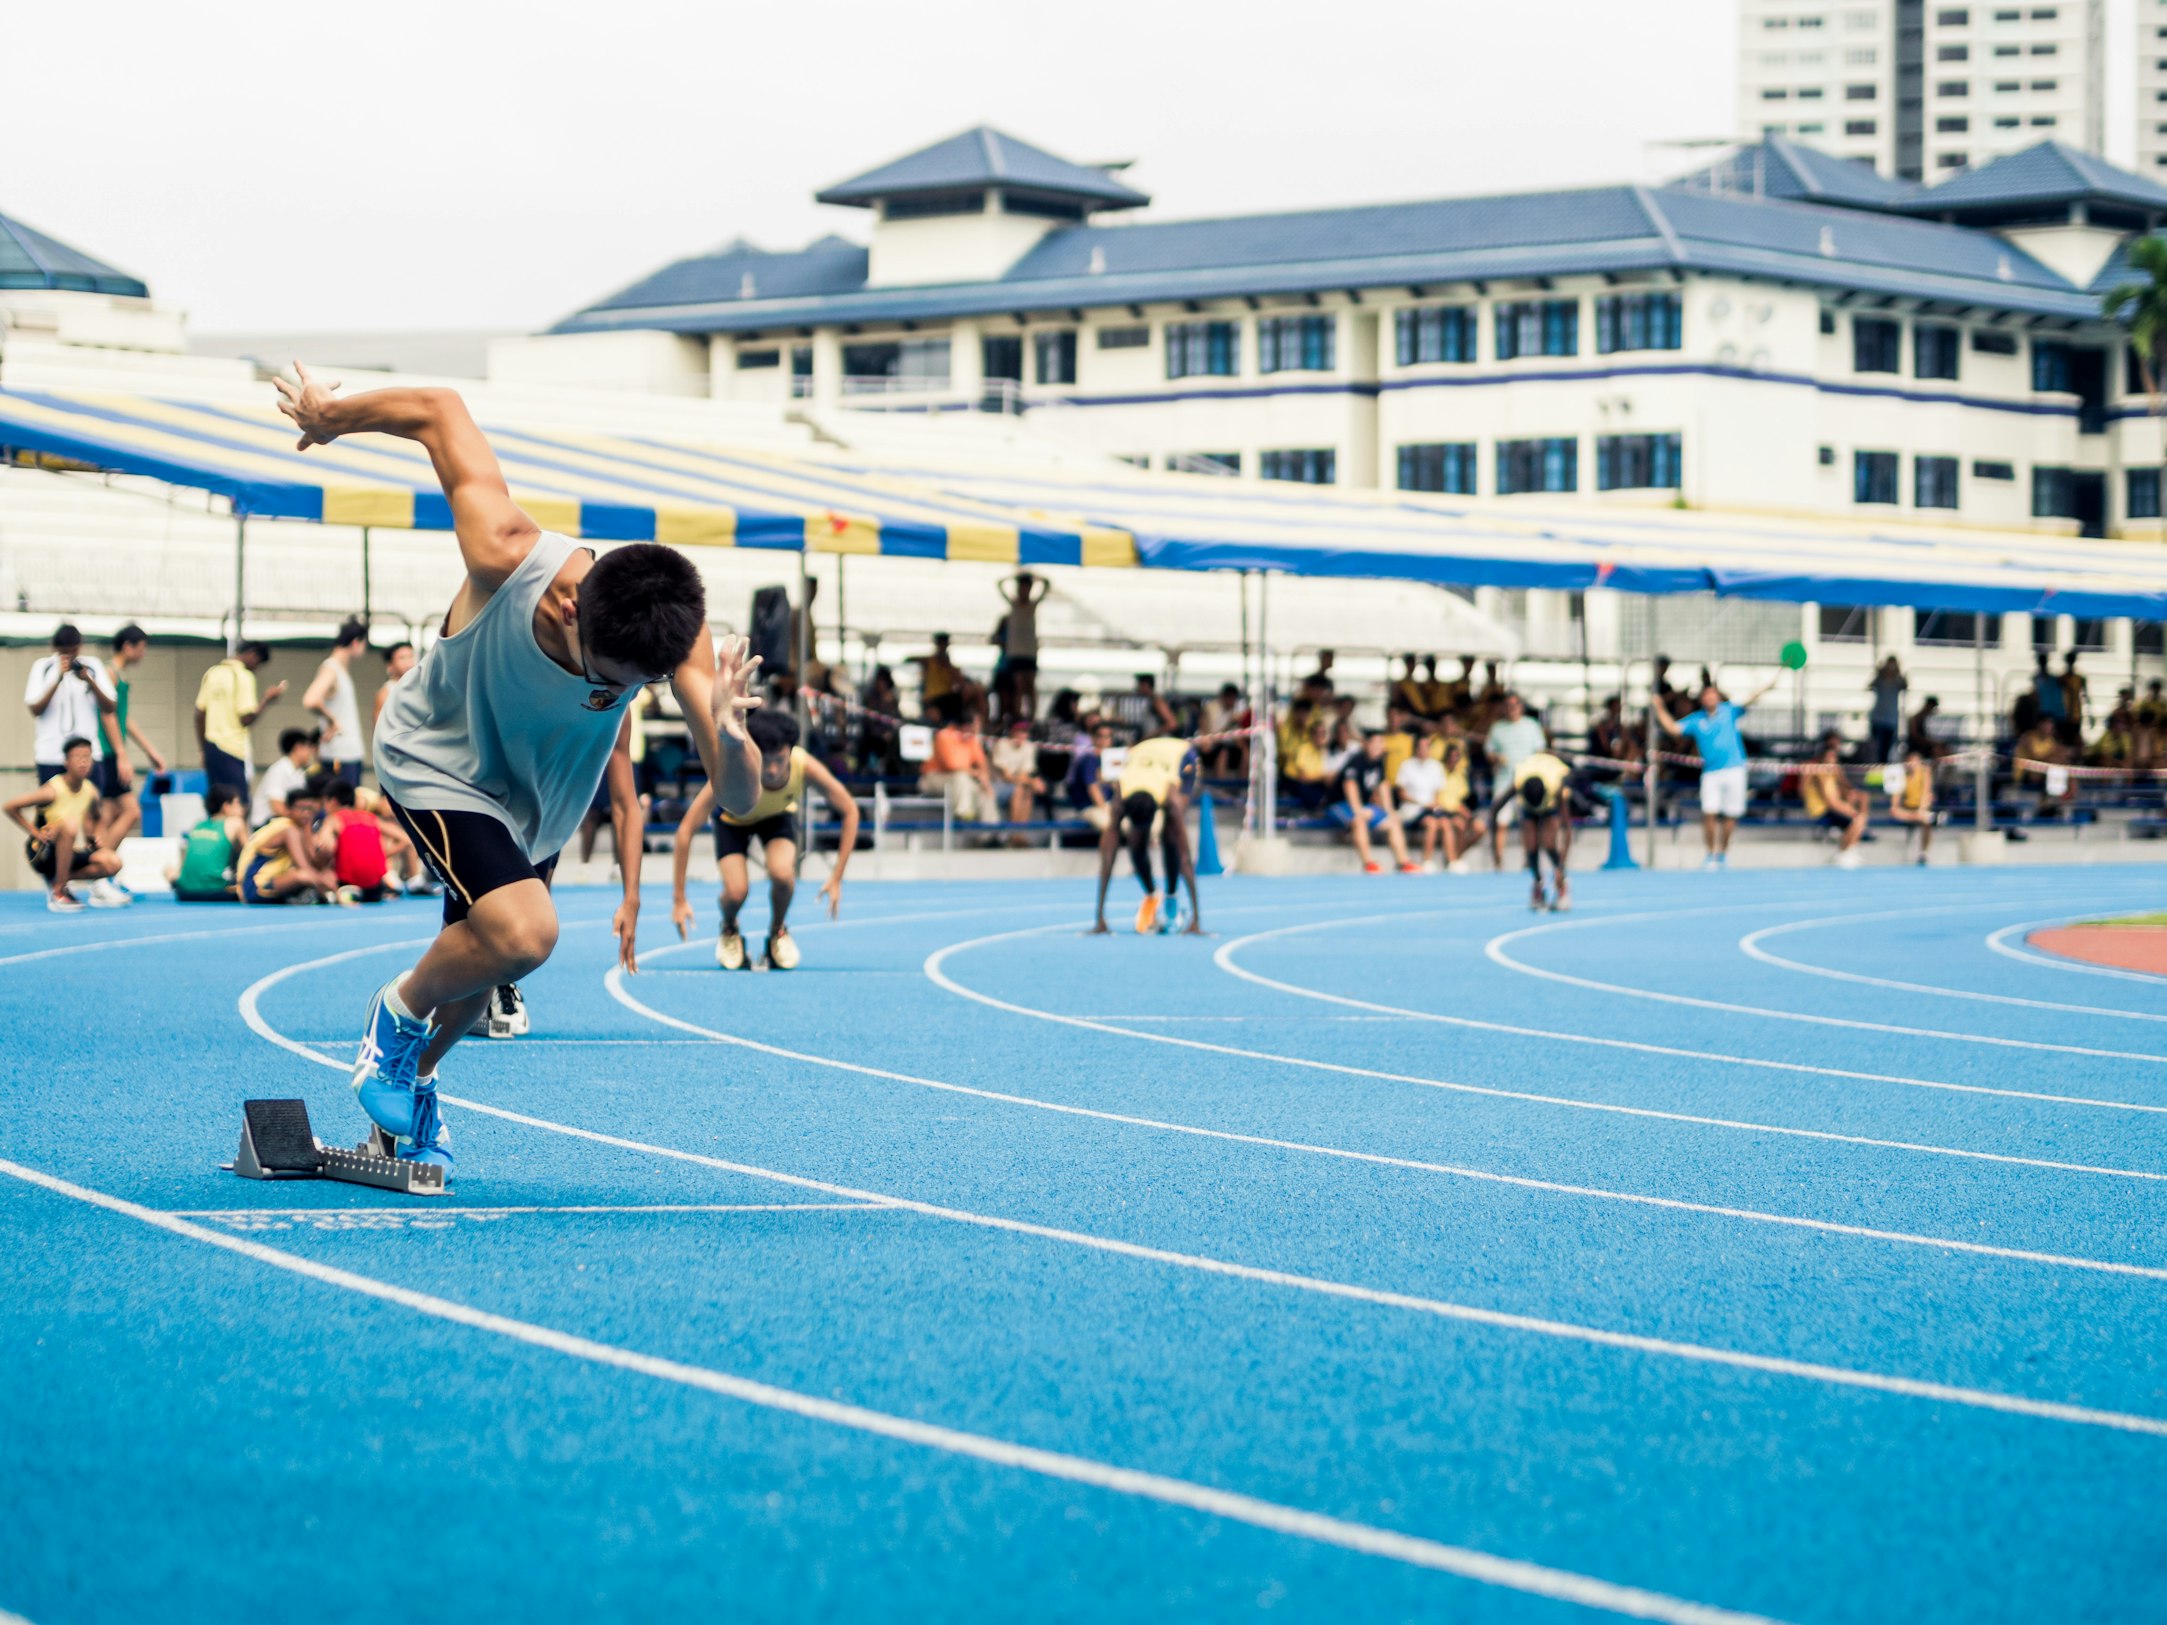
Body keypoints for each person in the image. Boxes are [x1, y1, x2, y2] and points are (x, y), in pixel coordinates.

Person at [274, 364, 763, 1174]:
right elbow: (439, 408)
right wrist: (332, 416)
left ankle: (410, 1085)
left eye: (630, 687)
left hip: (532, 801)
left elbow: (739, 800)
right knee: (526, 931)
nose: (616, 694)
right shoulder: (507, 552)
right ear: (573, 606)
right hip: (434, 757)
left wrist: (728, 732)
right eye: (606, 678)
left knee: (482, 956)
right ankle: (392, 1016)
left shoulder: (673, 641)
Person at [670, 708, 859, 970]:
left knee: (783, 876)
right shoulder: (734, 768)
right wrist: (679, 898)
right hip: (733, 822)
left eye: (779, 760)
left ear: (791, 752)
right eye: (765, 759)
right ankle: (729, 927)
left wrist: (837, 877)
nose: (771, 769)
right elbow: (685, 830)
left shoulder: (803, 765)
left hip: (777, 818)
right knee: (736, 893)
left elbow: (850, 810)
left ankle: (778, 931)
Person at [1651, 674, 1779, 870]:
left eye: (1713, 695)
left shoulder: (1730, 711)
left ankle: (1723, 854)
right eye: (1707, 695)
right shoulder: (1696, 720)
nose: (1710, 698)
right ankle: (1711, 854)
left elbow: (1752, 698)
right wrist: (1659, 707)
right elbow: (1673, 729)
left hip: (1735, 770)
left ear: (1718, 698)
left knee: (1731, 815)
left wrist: (1767, 686)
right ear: (1702, 700)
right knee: (1709, 813)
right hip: (1711, 773)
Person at [1091, 734, 1204, 936]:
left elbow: (1185, 856)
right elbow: (1107, 857)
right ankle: (1152, 894)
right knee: (1136, 842)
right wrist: (1099, 918)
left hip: (1181, 754)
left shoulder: (1169, 797)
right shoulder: (1121, 796)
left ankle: (1171, 897)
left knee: (1171, 835)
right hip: (1141, 753)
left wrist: (1197, 920)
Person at [6, 736, 127, 913]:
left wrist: (95, 836)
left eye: (87, 757)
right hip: (42, 852)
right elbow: (10, 807)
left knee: (112, 862)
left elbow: (98, 818)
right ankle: (59, 891)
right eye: (77, 757)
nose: (83, 762)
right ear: (66, 761)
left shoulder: (90, 791)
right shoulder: (52, 790)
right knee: (69, 824)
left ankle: (60, 879)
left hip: (67, 853)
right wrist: (35, 832)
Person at [24, 623, 120, 786]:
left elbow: (110, 706)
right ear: (55, 647)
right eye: (64, 652)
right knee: (53, 807)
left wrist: (89, 680)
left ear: (80, 646)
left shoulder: (92, 666)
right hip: (51, 755)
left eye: (73, 651)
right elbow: (35, 708)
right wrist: (57, 679)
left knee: (92, 807)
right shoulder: (43, 667)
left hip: (88, 757)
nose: (69, 656)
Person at [98, 624, 167, 851]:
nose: (143, 654)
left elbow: (124, 718)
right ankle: (100, 865)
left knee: (108, 813)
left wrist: (151, 751)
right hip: (107, 753)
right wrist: (121, 755)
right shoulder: (109, 673)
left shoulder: (119, 676)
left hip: (110, 753)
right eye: (142, 648)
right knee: (131, 811)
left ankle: (100, 871)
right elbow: (108, 716)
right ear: (128, 647)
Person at [196, 641, 284, 795]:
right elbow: (246, 719)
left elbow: (199, 714)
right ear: (252, 655)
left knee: (219, 804)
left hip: (211, 748)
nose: (257, 668)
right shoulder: (244, 676)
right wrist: (266, 699)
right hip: (232, 749)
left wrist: (204, 749)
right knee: (239, 803)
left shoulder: (213, 672)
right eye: (259, 663)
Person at [235, 776, 340, 904]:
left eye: (309, 809)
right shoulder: (287, 830)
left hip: (273, 880)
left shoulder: (301, 827)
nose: (306, 813)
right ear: (288, 810)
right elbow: (305, 867)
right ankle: (321, 896)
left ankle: (307, 895)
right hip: (253, 886)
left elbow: (313, 860)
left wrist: (308, 830)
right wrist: (333, 889)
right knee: (303, 876)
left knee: (325, 873)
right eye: (301, 808)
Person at [1333, 731, 1419, 874]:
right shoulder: (1356, 761)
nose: (1378, 747)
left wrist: (1389, 811)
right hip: (1340, 805)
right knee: (1358, 821)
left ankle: (1403, 862)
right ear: (1366, 744)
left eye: (1381, 743)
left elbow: (1383, 786)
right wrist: (1358, 810)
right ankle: (1368, 863)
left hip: (1363, 806)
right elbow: (1350, 785)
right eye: (1375, 743)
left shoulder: (1379, 762)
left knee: (1393, 821)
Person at [1482, 692, 1548, 867]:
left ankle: (1529, 860)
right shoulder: (1497, 728)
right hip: (1504, 781)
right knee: (1500, 822)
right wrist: (1496, 758)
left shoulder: (1531, 726)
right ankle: (1498, 861)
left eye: (1515, 705)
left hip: (1526, 781)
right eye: (1508, 705)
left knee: (1528, 823)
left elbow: (1540, 751)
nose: (1512, 709)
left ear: (1521, 707)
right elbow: (1489, 752)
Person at [304, 618, 371, 785]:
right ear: (356, 642)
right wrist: (332, 720)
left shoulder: (339, 669)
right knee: (343, 807)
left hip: (348, 753)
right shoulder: (331, 669)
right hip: (340, 753)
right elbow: (310, 700)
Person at [1512, 749, 1578, 912]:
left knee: (1549, 843)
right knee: (1531, 845)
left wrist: (1561, 867)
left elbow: (1567, 830)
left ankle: (1562, 886)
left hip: (1551, 801)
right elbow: (1495, 810)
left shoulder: (1556, 785)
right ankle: (1538, 882)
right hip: (1531, 796)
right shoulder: (1518, 780)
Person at [921, 698, 995, 822]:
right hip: (933, 779)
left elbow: (982, 763)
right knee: (961, 777)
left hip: (958, 781)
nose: (972, 730)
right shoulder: (944, 735)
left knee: (984, 792)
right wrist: (977, 773)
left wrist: (984, 779)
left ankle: (991, 834)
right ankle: (963, 814)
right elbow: (953, 766)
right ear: (963, 725)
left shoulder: (971, 739)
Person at [170, 783, 248, 902]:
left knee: (168, 870)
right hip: (214, 891)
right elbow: (250, 852)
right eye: (237, 803)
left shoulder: (198, 825)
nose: (242, 808)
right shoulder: (235, 822)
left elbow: (184, 858)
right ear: (226, 807)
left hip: (184, 892)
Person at [1799, 735, 1868, 866]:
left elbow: (1843, 786)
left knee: (1860, 818)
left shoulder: (1832, 771)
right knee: (1857, 820)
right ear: (1824, 758)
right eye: (1830, 757)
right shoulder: (1820, 773)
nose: (1833, 760)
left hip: (1830, 807)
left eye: (1834, 757)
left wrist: (1851, 796)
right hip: (1821, 809)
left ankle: (1849, 851)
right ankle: (1843, 853)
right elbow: (1831, 802)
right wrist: (1850, 811)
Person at [321, 777, 393, 901]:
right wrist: (381, 854)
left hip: (347, 883)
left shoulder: (333, 819)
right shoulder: (370, 817)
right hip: (375, 887)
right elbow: (405, 839)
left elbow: (322, 844)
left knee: (324, 863)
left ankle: (334, 893)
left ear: (332, 801)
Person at [995, 571, 1049, 724]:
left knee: (1030, 686)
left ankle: (1032, 717)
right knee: (1018, 686)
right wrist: (1013, 575)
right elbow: (999, 585)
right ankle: (1018, 716)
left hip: (1029, 652)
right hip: (1016, 652)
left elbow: (1047, 585)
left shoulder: (1032, 605)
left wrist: (1035, 576)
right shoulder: (1014, 605)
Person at [989, 716, 1046, 840]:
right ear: (1011, 732)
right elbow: (1006, 777)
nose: (1022, 735)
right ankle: (1015, 834)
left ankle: (1019, 833)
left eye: (1025, 732)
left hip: (1015, 784)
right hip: (996, 786)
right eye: (1019, 731)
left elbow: (1024, 773)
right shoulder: (1002, 744)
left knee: (1025, 790)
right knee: (1020, 789)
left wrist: (1030, 782)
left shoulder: (1029, 747)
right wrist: (1032, 782)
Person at [251, 728, 321, 827]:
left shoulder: (299, 773)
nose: (310, 752)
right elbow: (277, 807)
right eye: (308, 747)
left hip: (285, 823)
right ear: (298, 747)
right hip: (265, 824)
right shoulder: (279, 769)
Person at [1885, 746, 1937, 865]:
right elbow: (1895, 803)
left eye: (1915, 761)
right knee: (1896, 812)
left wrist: (1921, 809)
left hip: (1920, 808)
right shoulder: (1900, 774)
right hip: (1907, 809)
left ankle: (1924, 852)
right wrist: (1915, 814)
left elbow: (1926, 792)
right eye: (1910, 761)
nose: (1912, 764)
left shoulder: (1924, 772)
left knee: (1925, 820)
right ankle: (1919, 816)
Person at [1066, 721, 1117, 831]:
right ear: (1093, 738)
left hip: (1109, 805)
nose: (1104, 741)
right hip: (1089, 808)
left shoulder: (1113, 760)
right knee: (1108, 823)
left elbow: (1118, 789)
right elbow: (1093, 790)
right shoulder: (1088, 760)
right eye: (1100, 736)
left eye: (1107, 737)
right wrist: (1107, 810)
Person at [1867, 656, 1907, 762]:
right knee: (1875, 747)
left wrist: (1898, 672)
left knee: (1886, 748)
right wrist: (1880, 671)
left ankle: (1883, 766)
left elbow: (1905, 686)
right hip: (1878, 718)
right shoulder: (1880, 679)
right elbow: (1870, 686)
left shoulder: (1897, 680)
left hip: (1890, 720)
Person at [373, 641, 415, 730]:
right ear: (390, 665)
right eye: (402, 658)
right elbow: (379, 729)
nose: (408, 662)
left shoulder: (419, 688)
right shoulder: (386, 693)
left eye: (411, 656)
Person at [2058, 650, 2088, 748]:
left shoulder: (2079, 678)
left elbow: (2085, 695)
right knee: (2064, 739)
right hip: (2064, 714)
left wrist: (2089, 713)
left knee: (2075, 738)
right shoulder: (2062, 679)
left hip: (2075, 714)